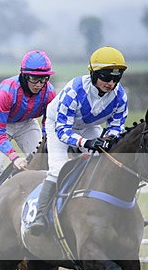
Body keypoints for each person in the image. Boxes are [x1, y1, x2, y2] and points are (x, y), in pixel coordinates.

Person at [27, 46, 129, 236]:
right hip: (59, 125)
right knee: (58, 169)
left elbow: (116, 127)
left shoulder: (120, 96)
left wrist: (107, 140)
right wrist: (86, 143)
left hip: (89, 126)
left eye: (116, 78)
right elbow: (63, 131)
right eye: (106, 77)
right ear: (94, 73)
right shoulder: (74, 90)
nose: (111, 83)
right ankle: (39, 216)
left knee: (105, 164)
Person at [0, 50, 57, 238]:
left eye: (44, 79)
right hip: (0, 124)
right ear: (24, 75)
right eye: (34, 79)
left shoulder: (49, 92)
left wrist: (46, 142)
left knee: (46, 163)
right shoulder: (8, 91)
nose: (39, 84)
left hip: (27, 123)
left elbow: (49, 123)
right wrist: (14, 157)